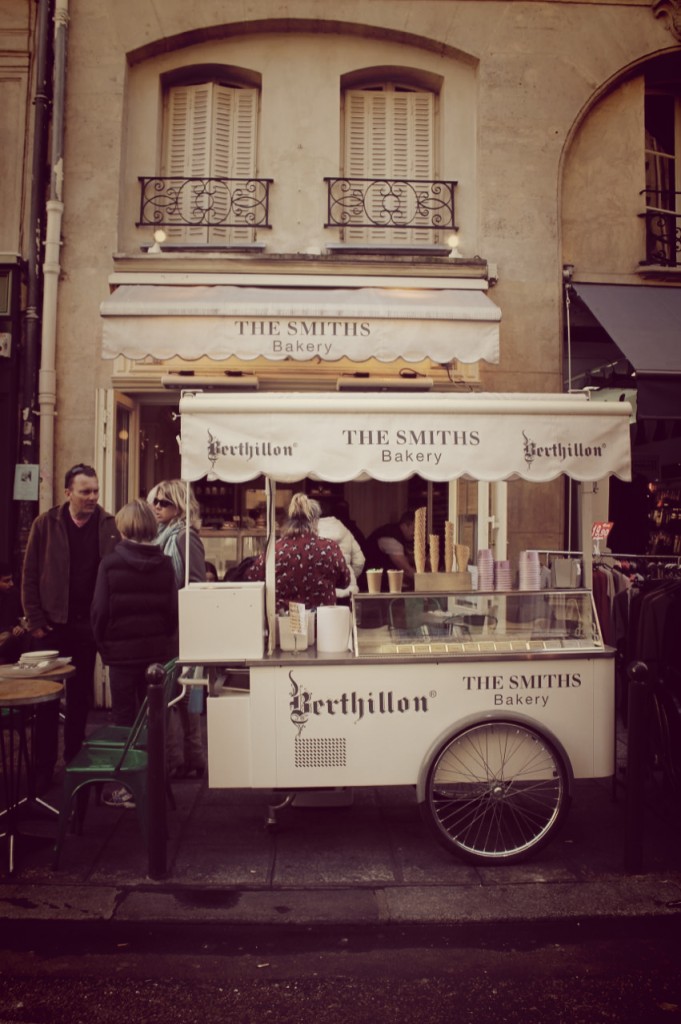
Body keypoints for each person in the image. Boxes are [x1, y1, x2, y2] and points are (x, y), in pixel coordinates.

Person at [21, 464, 120, 790]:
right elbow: (30, 575)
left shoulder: (108, 525)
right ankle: (42, 769)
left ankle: (75, 765)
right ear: (68, 493)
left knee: (80, 701)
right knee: (46, 702)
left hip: (86, 627)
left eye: (95, 491)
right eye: (85, 491)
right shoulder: (46, 524)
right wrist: (36, 622)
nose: (92, 497)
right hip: (50, 628)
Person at [91, 499, 178, 808]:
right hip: (155, 656)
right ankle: (154, 781)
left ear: (124, 527)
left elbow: (99, 612)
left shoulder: (110, 563)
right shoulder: (165, 564)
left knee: (124, 721)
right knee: (153, 720)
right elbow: (171, 613)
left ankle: (126, 786)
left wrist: (105, 648)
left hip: (122, 657)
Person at [150, 479, 206, 778]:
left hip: (180, 625)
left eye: (165, 502)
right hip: (167, 624)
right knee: (178, 693)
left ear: (180, 506)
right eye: (155, 501)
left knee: (178, 693)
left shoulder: (184, 536)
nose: (157, 507)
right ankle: (185, 757)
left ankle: (182, 758)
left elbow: (196, 581)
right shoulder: (160, 536)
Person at [244, 493, 350, 613]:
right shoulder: (330, 548)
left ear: (288, 520)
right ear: (314, 521)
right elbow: (345, 580)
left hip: (284, 623)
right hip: (322, 622)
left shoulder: (275, 549)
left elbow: (252, 577)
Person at [317, 497, 365, 602]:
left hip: (322, 591)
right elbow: (360, 560)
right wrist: (349, 575)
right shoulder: (346, 531)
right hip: (347, 590)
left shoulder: (312, 532)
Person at [361, 509, 416, 591]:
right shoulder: (391, 536)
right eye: (414, 529)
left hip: (378, 584)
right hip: (372, 586)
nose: (415, 534)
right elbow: (405, 568)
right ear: (405, 525)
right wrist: (423, 580)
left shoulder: (396, 535)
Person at [0, 561, 27, 664]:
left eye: (11, 579)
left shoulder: (14, 594)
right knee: (9, 638)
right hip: (5, 637)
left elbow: (23, 617)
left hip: (13, 638)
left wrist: (21, 626)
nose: (11, 584)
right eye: (6, 581)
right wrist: (10, 629)